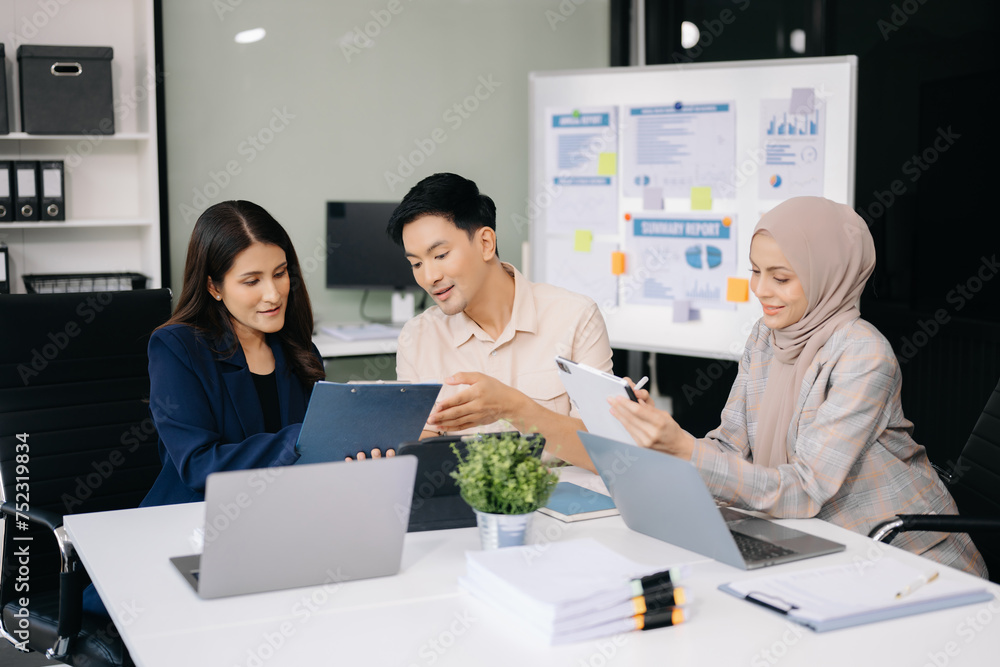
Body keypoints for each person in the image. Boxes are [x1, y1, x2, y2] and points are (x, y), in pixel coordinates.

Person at [608, 196, 987, 576]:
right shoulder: (766, 335)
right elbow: (730, 447)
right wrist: (656, 437)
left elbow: (806, 489)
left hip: (909, 559)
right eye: (755, 271)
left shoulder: (863, 354)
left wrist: (684, 450)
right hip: (815, 542)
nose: (761, 289)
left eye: (781, 277)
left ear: (827, 274)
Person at [385, 172, 613, 468]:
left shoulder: (576, 316)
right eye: (416, 263)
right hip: (464, 505)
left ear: (485, 243)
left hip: (561, 504)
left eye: (440, 255)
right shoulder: (416, 337)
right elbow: (420, 443)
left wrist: (513, 407)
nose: (429, 277)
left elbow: (606, 455)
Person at [139, 200, 326, 506]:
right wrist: (306, 438)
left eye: (279, 274)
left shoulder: (300, 349)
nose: (273, 294)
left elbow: (315, 458)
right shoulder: (178, 348)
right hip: (192, 521)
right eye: (252, 281)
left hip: (281, 514)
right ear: (214, 287)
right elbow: (199, 466)